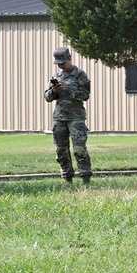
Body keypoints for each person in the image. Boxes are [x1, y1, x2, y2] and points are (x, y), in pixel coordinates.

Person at [44, 47, 92, 185]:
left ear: (70, 58)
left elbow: (85, 95)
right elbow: (47, 97)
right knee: (61, 150)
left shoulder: (80, 75)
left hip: (75, 117)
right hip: (59, 117)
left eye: (63, 62)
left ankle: (85, 178)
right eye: (58, 63)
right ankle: (67, 178)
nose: (61, 65)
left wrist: (69, 89)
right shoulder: (56, 77)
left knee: (79, 149)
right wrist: (53, 91)